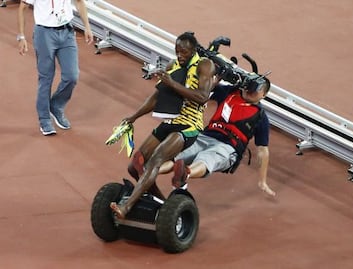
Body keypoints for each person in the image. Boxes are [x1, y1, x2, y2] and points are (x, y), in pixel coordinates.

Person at [110, 32, 216, 218]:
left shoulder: (204, 65)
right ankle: (163, 204)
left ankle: (126, 207)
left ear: (192, 50)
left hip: (189, 126)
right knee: (135, 166)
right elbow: (157, 97)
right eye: (177, 52)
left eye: (183, 52)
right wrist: (133, 117)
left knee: (156, 159)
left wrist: (173, 84)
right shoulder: (172, 66)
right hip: (170, 121)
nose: (180, 56)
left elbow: (202, 97)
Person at [158, 75, 276, 197]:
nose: (249, 91)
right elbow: (204, 91)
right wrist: (215, 80)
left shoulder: (260, 117)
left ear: (263, 95)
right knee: (176, 155)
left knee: (206, 158)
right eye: (248, 87)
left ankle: (185, 173)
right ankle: (150, 170)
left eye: (255, 90)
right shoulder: (230, 92)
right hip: (205, 136)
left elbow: (262, 150)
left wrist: (262, 181)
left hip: (228, 147)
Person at [18, 0, 93, 136]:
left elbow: (79, 2)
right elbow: (22, 7)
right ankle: (44, 119)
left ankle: (56, 105)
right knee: (46, 78)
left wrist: (87, 27)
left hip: (67, 32)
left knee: (72, 76)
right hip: (44, 34)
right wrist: (21, 37)